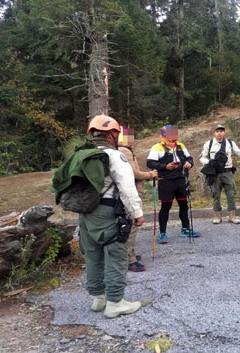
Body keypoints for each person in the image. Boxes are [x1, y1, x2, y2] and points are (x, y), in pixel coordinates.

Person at [80, 114, 144, 319]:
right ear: (112, 135)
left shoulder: (81, 155)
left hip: (85, 214)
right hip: (108, 211)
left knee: (93, 255)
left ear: (92, 134)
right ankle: (115, 302)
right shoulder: (115, 156)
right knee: (115, 255)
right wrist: (137, 213)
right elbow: (127, 186)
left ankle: (99, 298)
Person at [146, 125, 200, 244]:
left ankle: (185, 229)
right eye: (169, 137)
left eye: (174, 136)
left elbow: (189, 158)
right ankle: (162, 233)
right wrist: (165, 166)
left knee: (184, 205)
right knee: (165, 207)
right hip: (166, 181)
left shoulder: (181, 145)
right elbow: (150, 163)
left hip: (181, 179)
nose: (172, 139)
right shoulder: (157, 147)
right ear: (163, 136)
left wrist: (189, 163)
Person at [199, 124, 240, 224]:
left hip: (228, 171)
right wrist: (209, 162)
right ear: (214, 133)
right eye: (217, 131)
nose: (219, 133)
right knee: (215, 194)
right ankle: (217, 217)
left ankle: (232, 216)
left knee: (231, 194)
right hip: (214, 173)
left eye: (221, 131)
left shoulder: (230, 143)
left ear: (224, 132)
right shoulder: (209, 144)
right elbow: (202, 158)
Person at [118, 125, 157, 272]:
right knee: (132, 225)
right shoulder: (124, 151)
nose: (132, 140)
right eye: (128, 136)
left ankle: (129, 254)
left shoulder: (124, 150)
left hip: (128, 192)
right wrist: (149, 175)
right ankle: (130, 259)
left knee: (129, 225)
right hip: (130, 193)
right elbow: (133, 173)